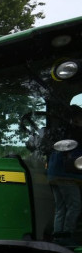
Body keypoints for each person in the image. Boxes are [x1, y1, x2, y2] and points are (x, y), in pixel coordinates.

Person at [48, 103, 82, 244]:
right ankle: (68, 239)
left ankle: (58, 239)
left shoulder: (60, 131)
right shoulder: (77, 132)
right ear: (76, 118)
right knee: (74, 206)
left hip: (53, 173)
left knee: (60, 208)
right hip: (67, 175)